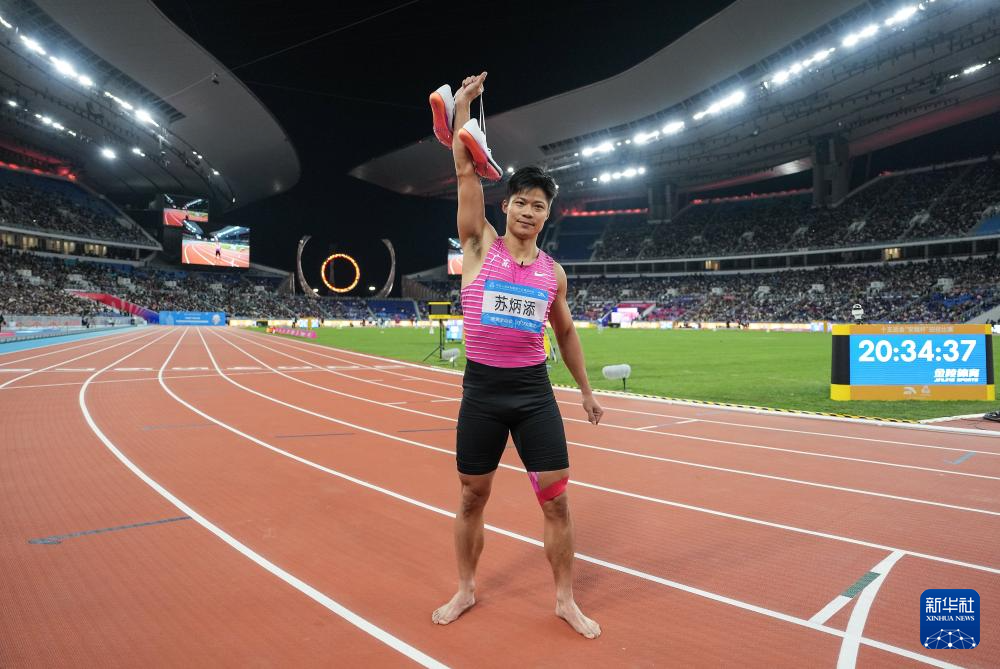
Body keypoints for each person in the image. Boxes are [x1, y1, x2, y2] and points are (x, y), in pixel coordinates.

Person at [431, 72, 603, 639]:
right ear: (506, 206)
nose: (529, 212)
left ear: (548, 216)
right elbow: (465, 167)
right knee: (471, 496)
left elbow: (567, 334)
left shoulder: (554, 273)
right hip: (482, 391)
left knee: (556, 502)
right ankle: (465, 588)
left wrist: (585, 391)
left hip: (533, 394)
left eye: (539, 206)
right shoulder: (479, 245)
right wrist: (462, 107)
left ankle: (565, 600)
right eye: (522, 202)